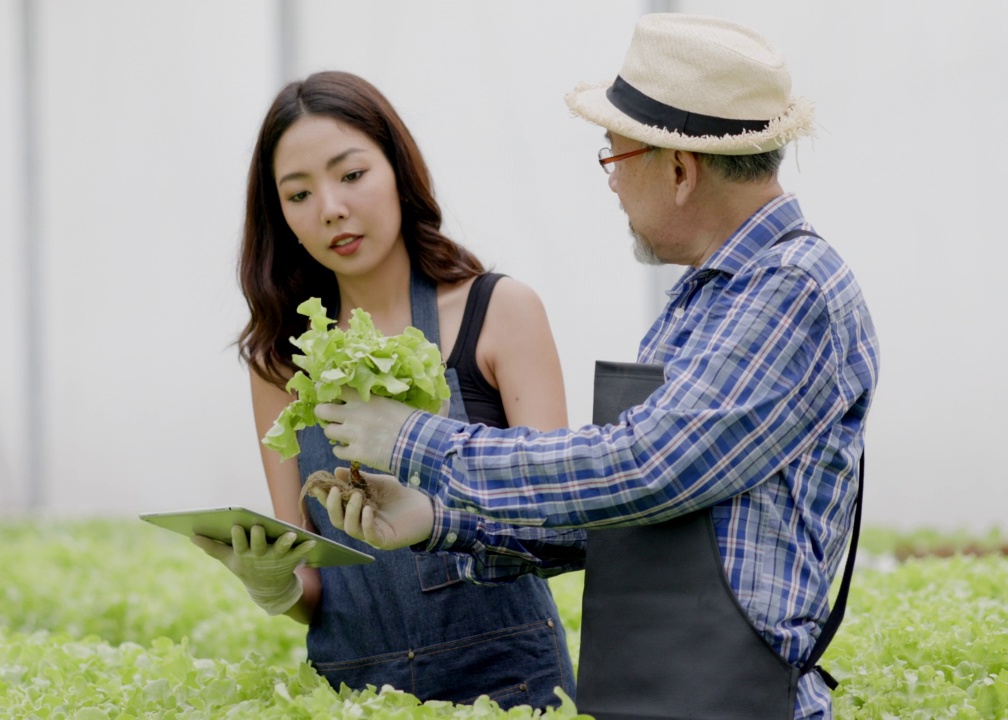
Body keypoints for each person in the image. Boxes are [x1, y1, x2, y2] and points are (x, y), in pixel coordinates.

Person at [311, 15, 879, 720]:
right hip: (675, 696)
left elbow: (645, 468)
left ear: (678, 168)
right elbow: (626, 518)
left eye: (613, 158)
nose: (610, 186)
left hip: (737, 703)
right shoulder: (708, 299)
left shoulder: (790, 289)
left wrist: (414, 442)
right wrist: (435, 520)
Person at [191, 70, 576, 710]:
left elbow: (556, 523)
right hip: (357, 687)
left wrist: (432, 516)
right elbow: (313, 580)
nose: (331, 209)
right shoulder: (281, 362)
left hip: (508, 680)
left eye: (351, 175)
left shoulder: (499, 311)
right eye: (298, 194)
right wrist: (277, 585)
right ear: (279, 215)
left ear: (399, 169)